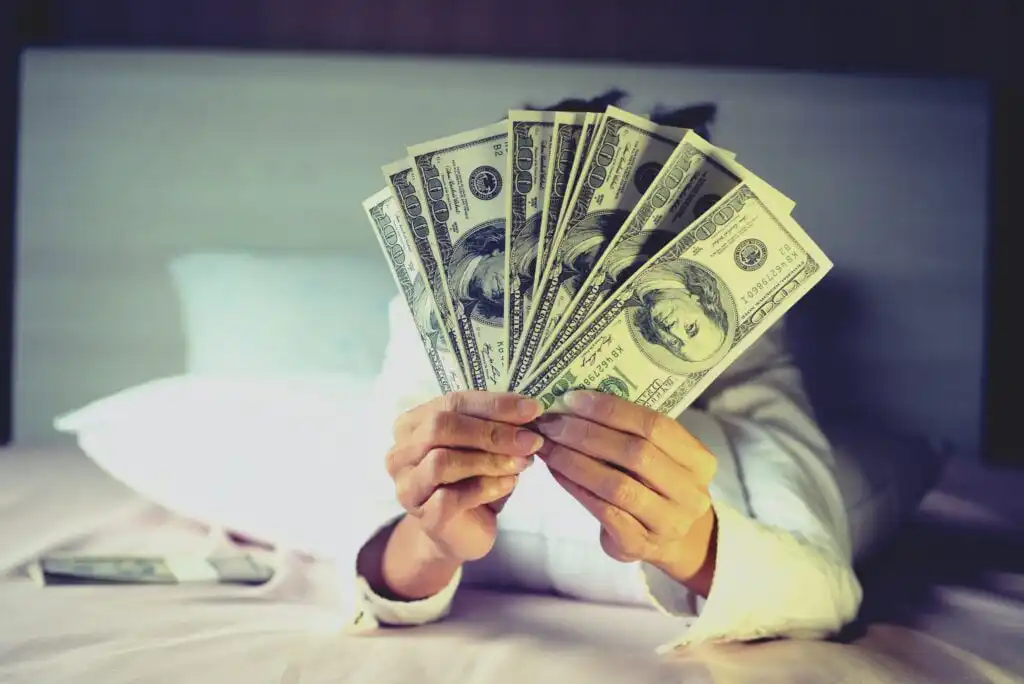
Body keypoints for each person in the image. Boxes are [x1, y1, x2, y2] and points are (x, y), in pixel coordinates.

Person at [341, 93, 862, 652]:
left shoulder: (726, 332)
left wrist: (686, 543)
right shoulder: (449, 310)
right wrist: (432, 541)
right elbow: (370, 542)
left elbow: (825, 588)